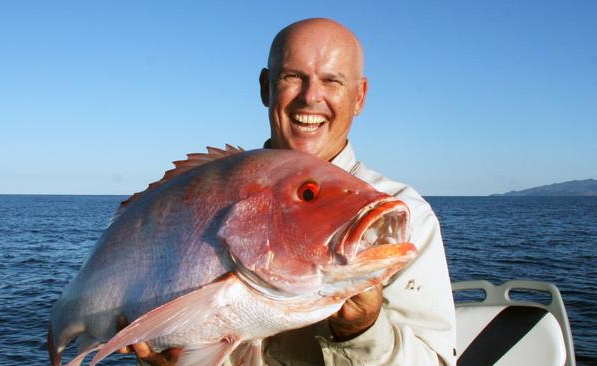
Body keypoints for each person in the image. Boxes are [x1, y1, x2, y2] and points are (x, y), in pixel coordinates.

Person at [121, 18, 456, 365]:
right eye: (292, 77)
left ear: (360, 96)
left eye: (332, 80)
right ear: (266, 87)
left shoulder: (404, 217)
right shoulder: (213, 189)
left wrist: (363, 331)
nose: (311, 97)